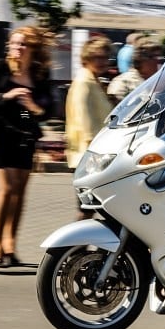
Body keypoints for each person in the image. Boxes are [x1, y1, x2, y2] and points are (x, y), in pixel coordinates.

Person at [0, 26, 54, 267]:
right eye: (14, 43)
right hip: (1, 133)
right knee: (7, 188)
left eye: (23, 44)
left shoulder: (39, 73)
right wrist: (6, 96)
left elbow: (48, 110)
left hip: (25, 136)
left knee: (20, 191)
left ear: (32, 48)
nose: (17, 48)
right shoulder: (2, 67)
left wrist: (33, 106)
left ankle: (11, 241)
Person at [66, 36, 115, 219]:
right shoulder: (83, 83)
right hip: (89, 158)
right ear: (86, 58)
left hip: (95, 157)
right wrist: (95, 154)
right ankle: (72, 247)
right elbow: (83, 121)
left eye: (105, 57)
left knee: (90, 209)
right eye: (97, 57)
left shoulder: (94, 81)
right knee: (87, 209)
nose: (102, 61)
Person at [106, 38, 163, 103]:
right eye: (155, 57)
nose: (159, 61)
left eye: (160, 57)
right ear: (141, 59)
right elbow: (117, 109)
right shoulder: (123, 83)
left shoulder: (161, 82)